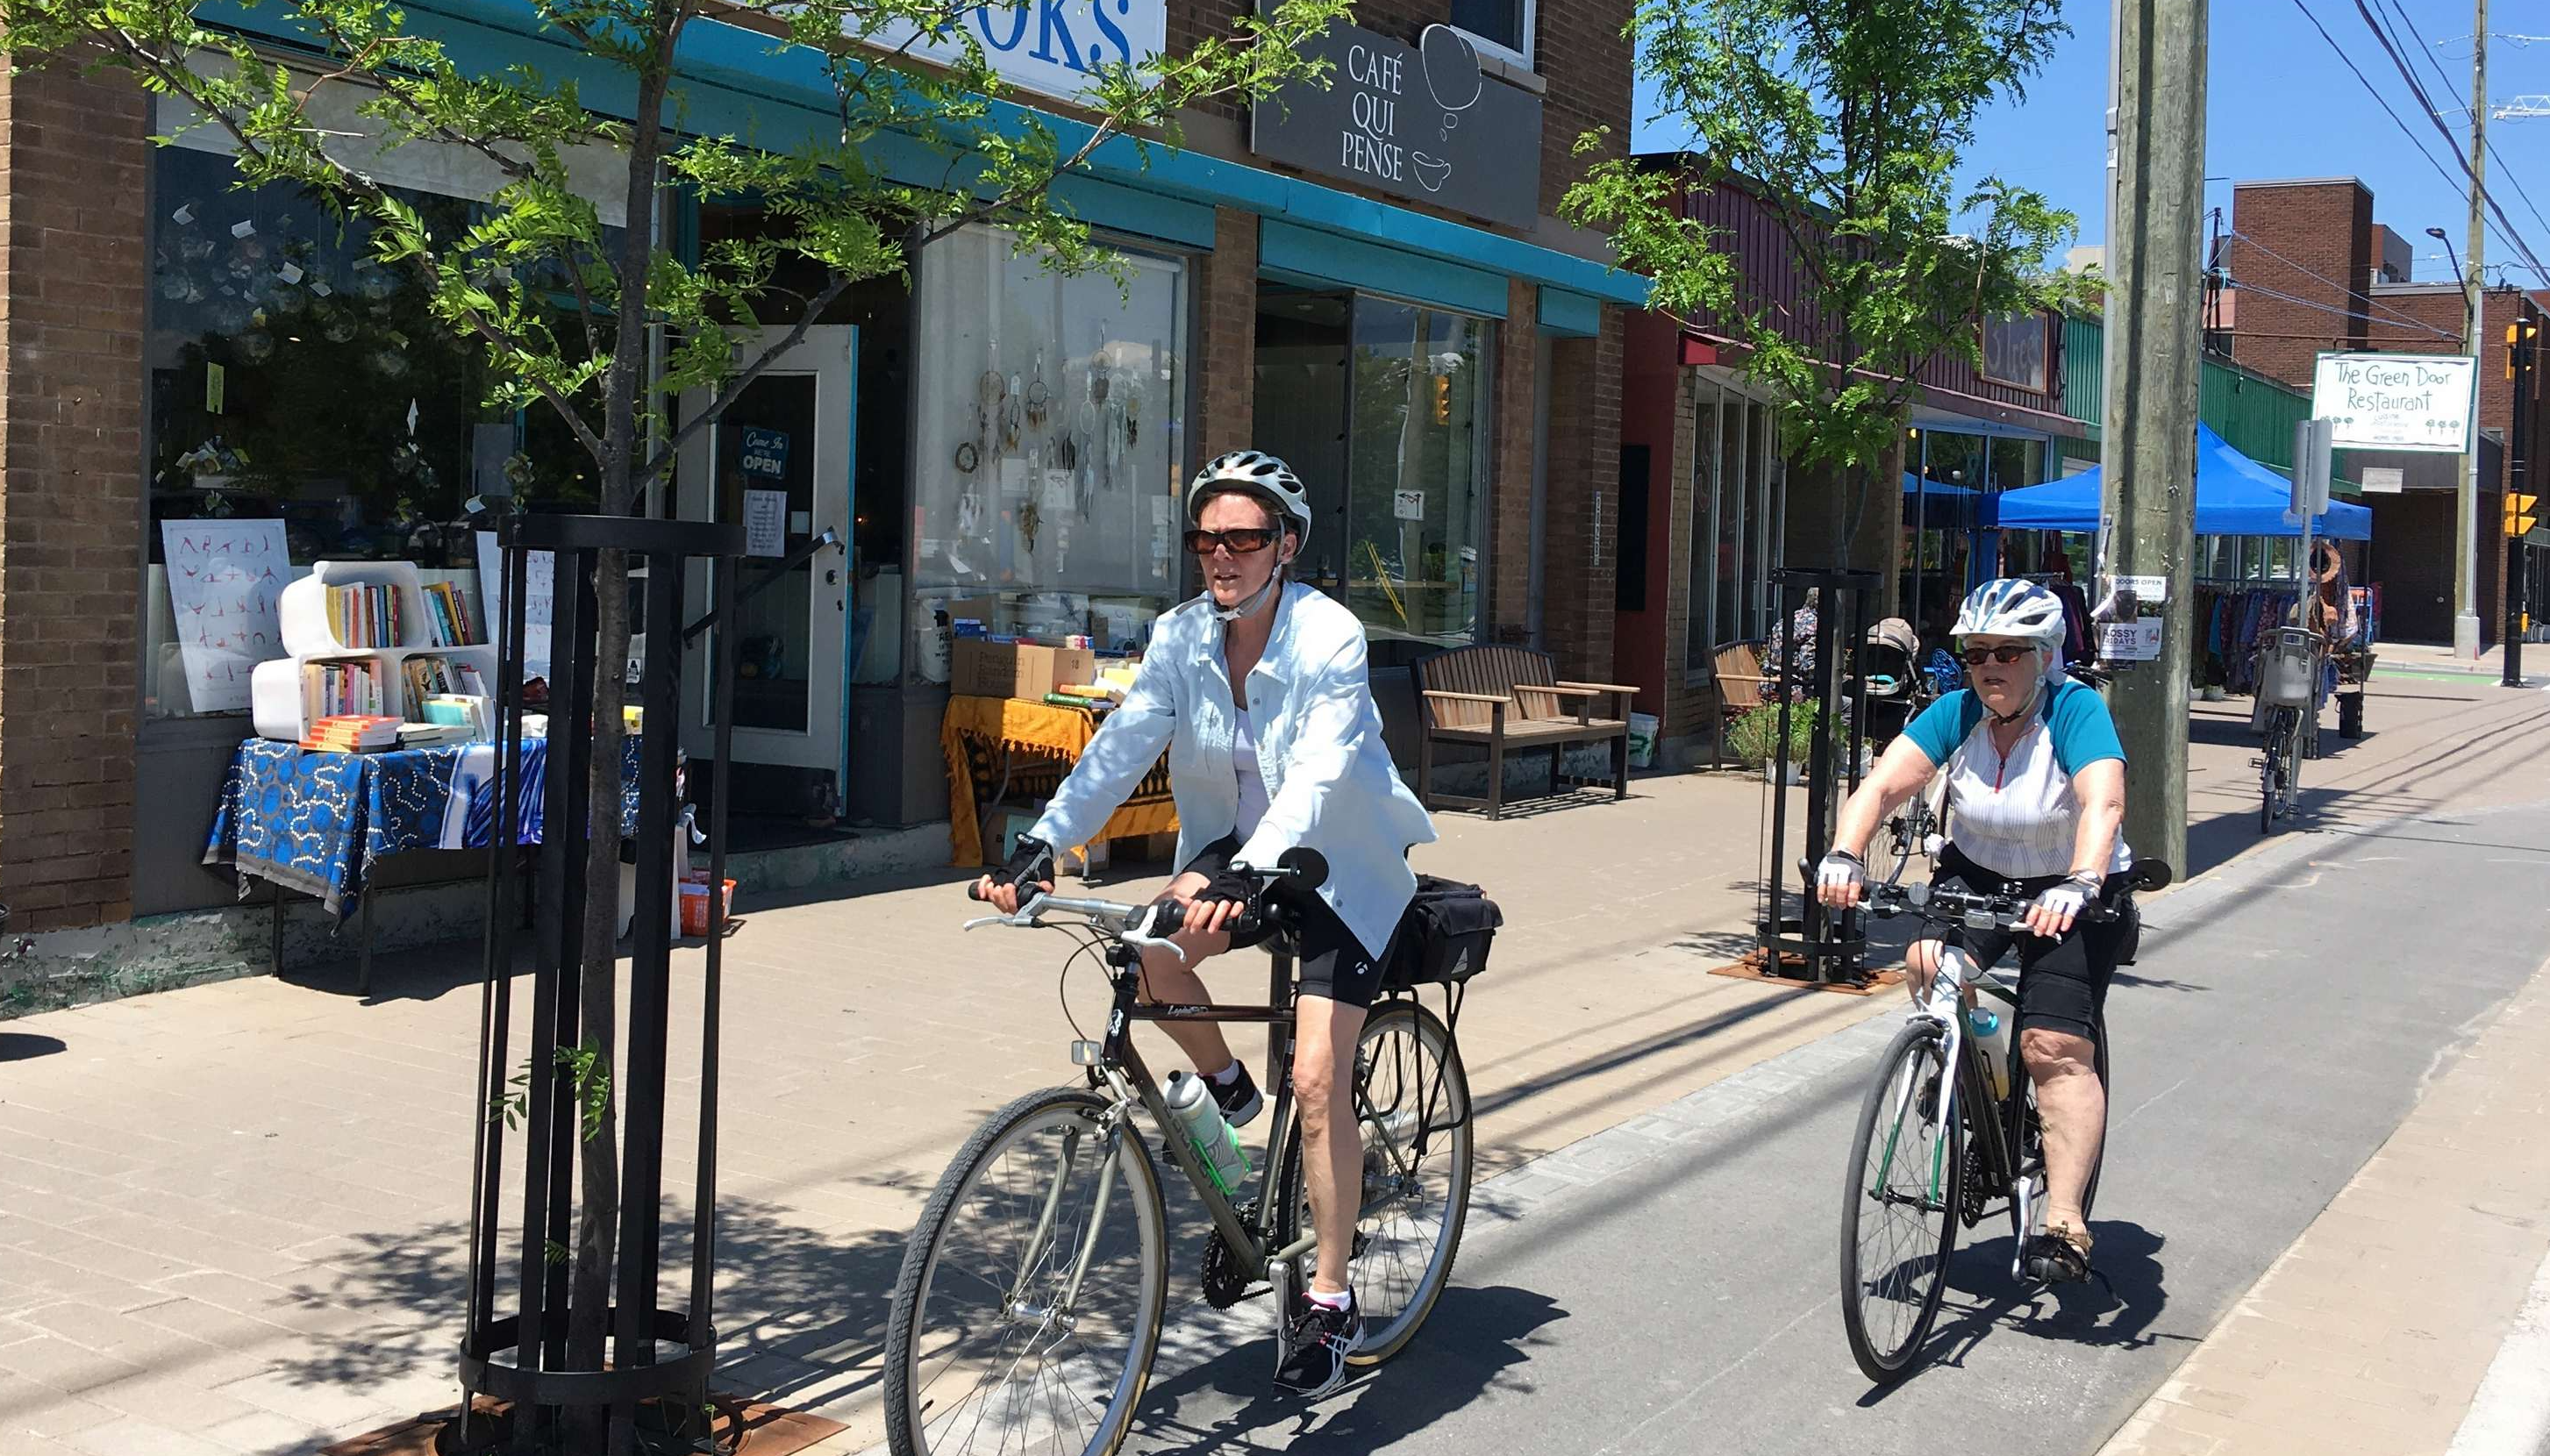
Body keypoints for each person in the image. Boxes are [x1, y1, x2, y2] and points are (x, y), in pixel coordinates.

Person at [975, 449, 1438, 1397]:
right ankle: (1227, 1093)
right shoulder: (1182, 637)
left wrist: (1260, 873)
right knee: (1145, 950)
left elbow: (1315, 773)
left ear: (1287, 546)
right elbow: (1122, 743)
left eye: (1244, 537)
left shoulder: (1331, 637)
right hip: (1234, 849)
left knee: (1316, 1079)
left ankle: (1330, 1298)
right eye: (1206, 539)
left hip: (1337, 861)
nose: (1221, 555)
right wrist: (1044, 842)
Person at [1811, 578, 2132, 1281]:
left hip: (2069, 887)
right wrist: (1843, 853)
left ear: (2043, 656)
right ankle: (1973, 1076)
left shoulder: (2075, 710)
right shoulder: (1955, 711)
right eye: (1975, 651)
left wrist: (2080, 881)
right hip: (1980, 872)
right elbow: (1881, 785)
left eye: (2008, 652)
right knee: (1926, 963)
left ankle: (2065, 1221)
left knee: (2053, 1045)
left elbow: (2100, 802)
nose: (1989, 664)